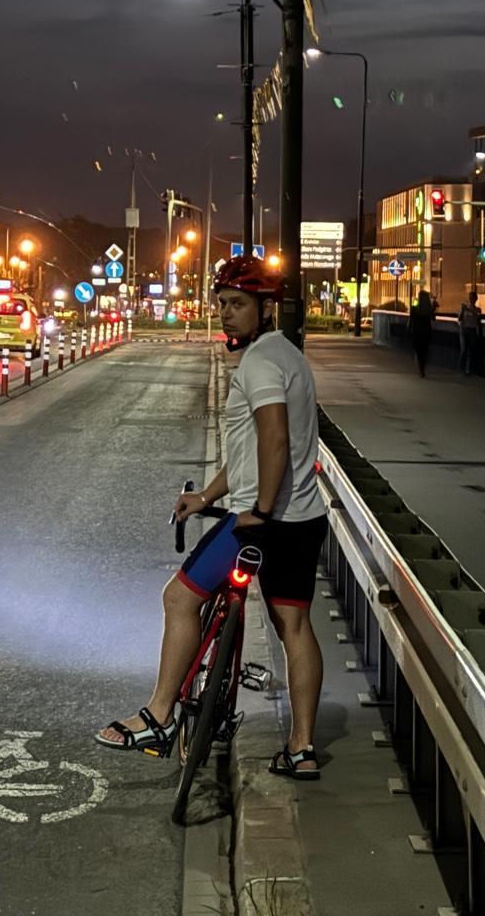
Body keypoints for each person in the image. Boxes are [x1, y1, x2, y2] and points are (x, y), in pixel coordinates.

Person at [96, 259, 326, 780]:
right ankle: (302, 749)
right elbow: (249, 451)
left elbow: (274, 438)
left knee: (179, 599)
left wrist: (259, 511)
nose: (226, 313)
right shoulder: (288, 356)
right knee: (294, 626)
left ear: (266, 309)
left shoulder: (260, 363)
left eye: (238, 304)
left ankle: (158, 716)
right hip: (305, 517)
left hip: (265, 519)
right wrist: (205, 496)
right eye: (222, 303)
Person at [409, 289, 437, 377]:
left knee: (418, 350)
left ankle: (420, 369)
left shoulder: (415, 306)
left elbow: (411, 317)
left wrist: (409, 327)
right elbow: (433, 318)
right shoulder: (429, 308)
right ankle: (422, 368)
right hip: (426, 331)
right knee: (424, 350)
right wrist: (433, 308)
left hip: (417, 331)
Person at [458, 290, 483, 375]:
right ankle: (461, 366)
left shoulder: (478, 309)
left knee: (471, 350)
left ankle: (468, 369)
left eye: (472, 298)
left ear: (476, 299)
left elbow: (478, 319)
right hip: (464, 329)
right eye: (470, 298)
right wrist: (462, 310)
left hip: (472, 330)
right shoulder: (464, 307)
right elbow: (459, 318)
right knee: (464, 349)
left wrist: (469, 310)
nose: (471, 299)